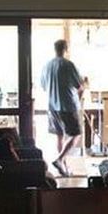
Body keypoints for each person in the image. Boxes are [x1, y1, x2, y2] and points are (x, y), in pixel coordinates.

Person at [40, 39, 84, 176]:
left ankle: (63, 167)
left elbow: (43, 86)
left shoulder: (47, 66)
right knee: (76, 134)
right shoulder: (68, 65)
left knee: (59, 136)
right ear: (66, 49)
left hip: (52, 106)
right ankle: (60, 159)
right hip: (67, 105)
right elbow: (79, 86)